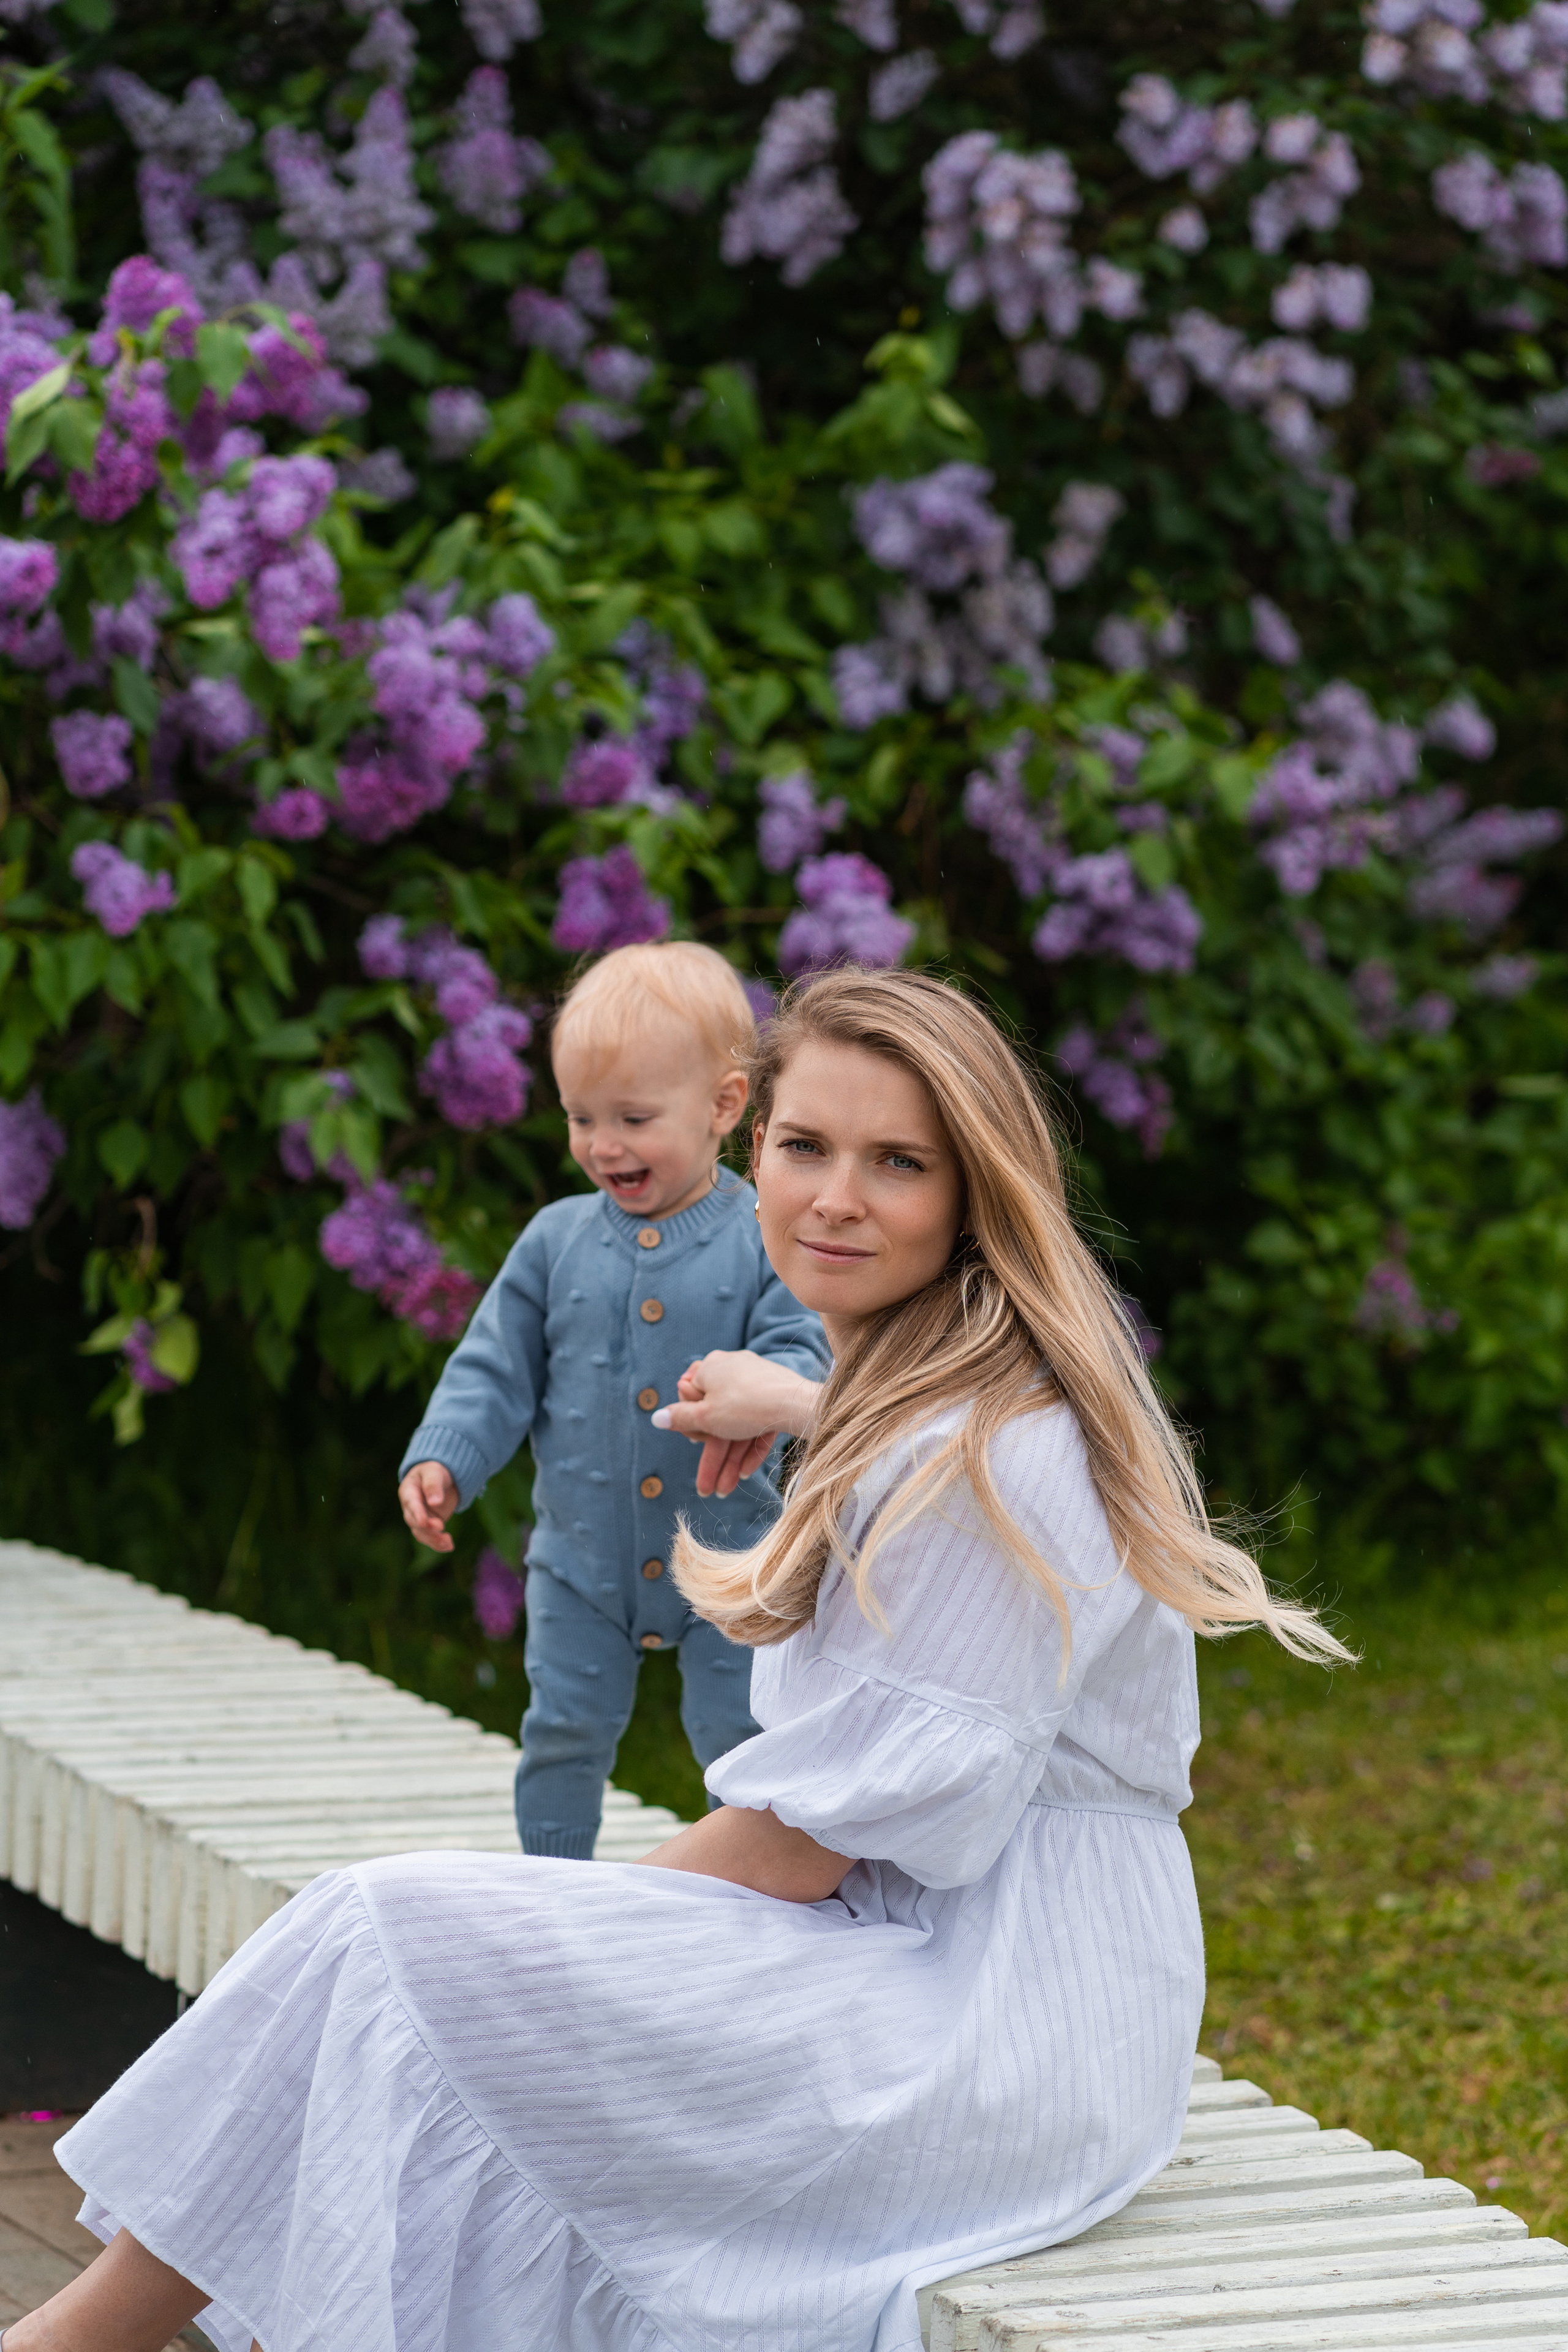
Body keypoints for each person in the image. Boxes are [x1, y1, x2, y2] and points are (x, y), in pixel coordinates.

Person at [17, 967, 1352, 2352]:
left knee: (398, 1932)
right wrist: (802, 1399)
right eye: (805, 1146)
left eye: (897, 1163)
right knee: (389, 1937)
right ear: (748, 1143)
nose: (834, 1195)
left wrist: (568, 1924)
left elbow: (796, 1852)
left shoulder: (993, 1457)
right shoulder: (924, 1380)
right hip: (915, 1947)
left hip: (994, 2021)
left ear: (974, 1193)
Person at [396, 940, 829, 1854]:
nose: (602, 1144)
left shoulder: (763, 1237)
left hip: (731, 1552)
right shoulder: (555, 1242)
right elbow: (493, 1368)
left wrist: (766, 1392)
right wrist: (446, 1457)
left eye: (633, 1117)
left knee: (740, 1743)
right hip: (580, 1561)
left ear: (724, 1104)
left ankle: (749, 1909)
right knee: (562, 1730)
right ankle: (552, 1897)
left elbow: (804, 1353)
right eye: (580, 1117)